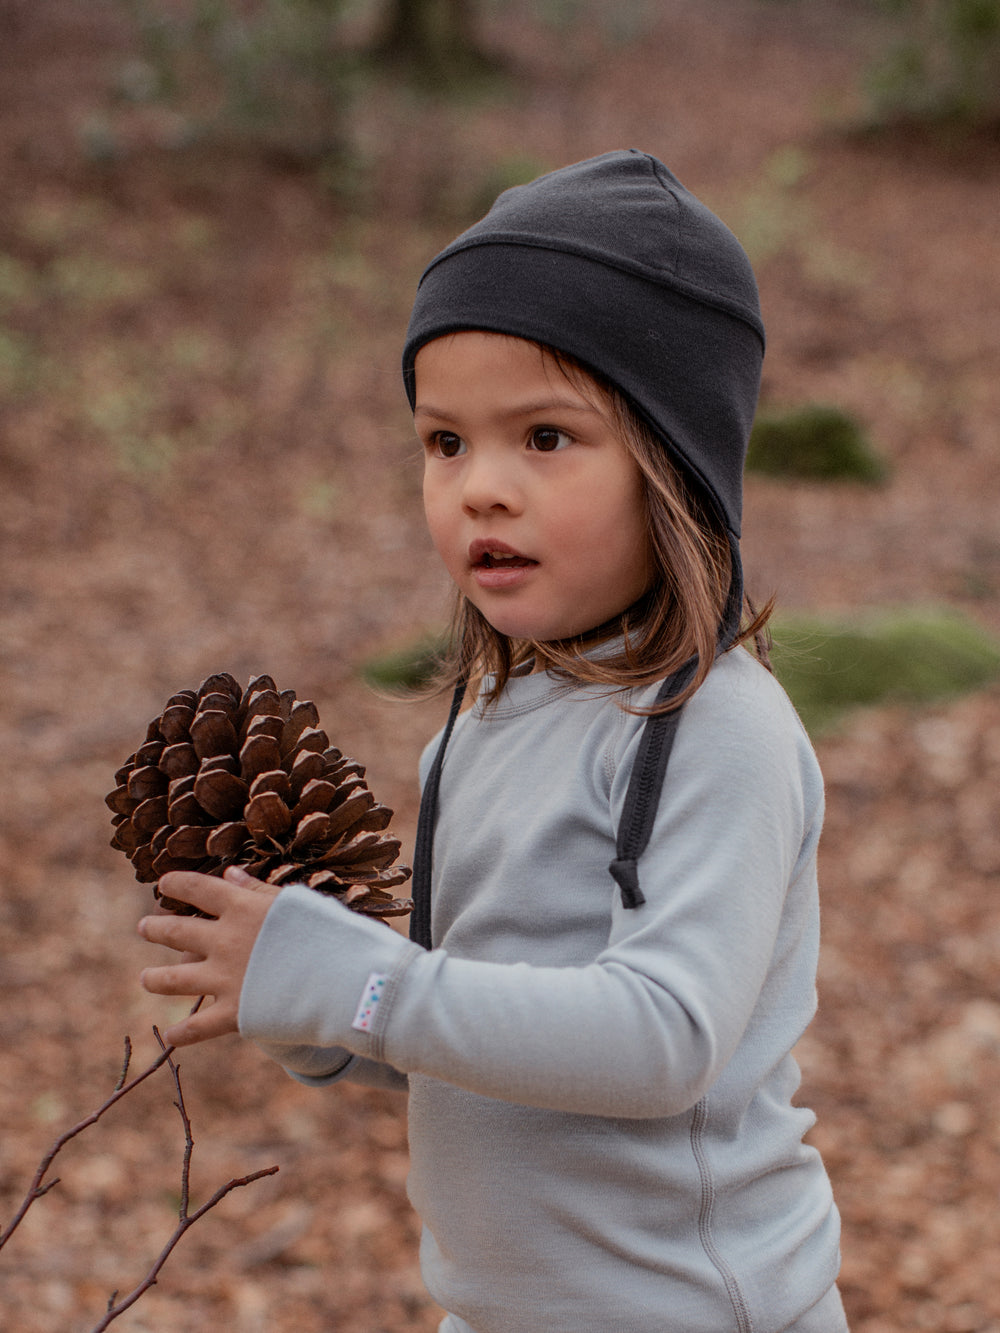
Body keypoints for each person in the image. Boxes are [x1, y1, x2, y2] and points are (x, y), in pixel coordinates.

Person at [138, 150, 848, 1333]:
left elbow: (660, 1040)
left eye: (545, 438)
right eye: (445, 442)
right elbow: (471, 1021)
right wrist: (314, 1015)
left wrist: (362, 986)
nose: (481, 489)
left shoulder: (719, 727)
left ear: (674, 465)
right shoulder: (477, 725)